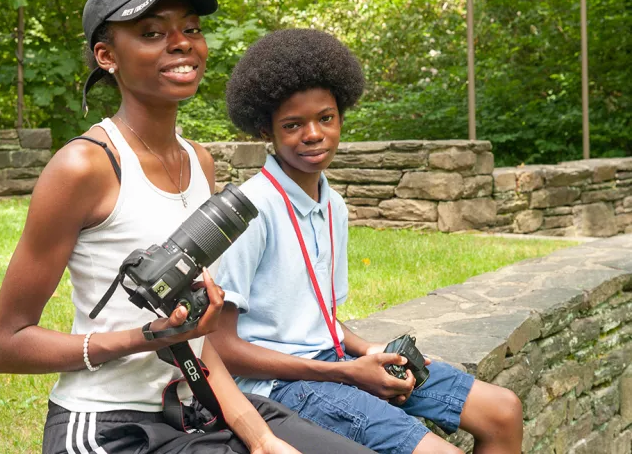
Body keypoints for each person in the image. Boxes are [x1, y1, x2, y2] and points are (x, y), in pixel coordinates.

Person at [0, 0, 376, 454]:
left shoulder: (198, 162)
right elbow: (5, 345)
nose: (181, 43)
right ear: (107, 56)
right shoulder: (84, 166)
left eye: (190, 29)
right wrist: (144, 336)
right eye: (151, 33)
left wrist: (261, 439)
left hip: (198, 404)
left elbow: (200, 338)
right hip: (110, 425)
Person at [209, 29, 525, 454]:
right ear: (265, 129)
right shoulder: (249, 209)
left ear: (341, 116)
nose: (314, 134)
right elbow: (220, 346)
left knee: (502, 409)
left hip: (336, 363)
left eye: (326, 118)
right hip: (281, 386)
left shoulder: (332, 204)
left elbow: (323, 319)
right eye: (292, 124)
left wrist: (371, 350)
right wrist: (349, 372)